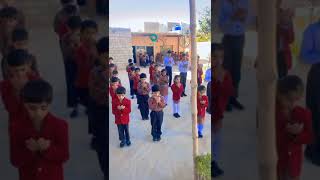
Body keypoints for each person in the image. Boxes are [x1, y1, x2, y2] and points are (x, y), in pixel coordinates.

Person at [10, 80, 69, 180]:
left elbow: (64, 156)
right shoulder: (16, 127)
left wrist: (48, 148)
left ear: (49, 105)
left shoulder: (60, 125)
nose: (38, 113)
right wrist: (29, 151)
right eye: (32, 108)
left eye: (43, 108)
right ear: (24, 104)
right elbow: (15, 160)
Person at [275, 75, 313, 180]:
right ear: (279, 94)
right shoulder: (273, 112)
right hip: (278, 161)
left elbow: (310, 137)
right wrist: (287, 132)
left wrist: (298, 134)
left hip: (294, 164)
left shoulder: (303, 113)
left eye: (296, 100)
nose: (292, 104)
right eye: (288, 99)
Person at [218, 0, 248, 111]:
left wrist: (243, 17)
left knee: (236, 71)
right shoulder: (224, 4)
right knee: (226, 70)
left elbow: (249, 20)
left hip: (240, 38)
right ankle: (225, 100)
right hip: (228, 39)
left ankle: (233, 98)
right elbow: (221, 25)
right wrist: (234, 17)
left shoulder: (244, 2)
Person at [0, 49, 40, 128]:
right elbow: (11, 109)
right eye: (16, 70)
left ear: (28, 67)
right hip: (16, 125)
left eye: (22, 69)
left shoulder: (36, 80)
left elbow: (40, 104)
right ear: (9, 69)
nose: (19, 74)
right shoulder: (5, 85)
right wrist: (16, 90)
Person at [212, 43, 234, 178]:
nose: (219, 60)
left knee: (216, 139)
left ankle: (213, 162)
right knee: (211, 138)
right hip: (210, 112)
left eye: (221, 57)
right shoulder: (210, 75)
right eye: (215, 56)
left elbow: (229, 92)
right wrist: (217, 82)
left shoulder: (225, 74)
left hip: (219, 112)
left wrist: (222, 82)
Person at [300, 18, 320, 166]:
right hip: (317, 75)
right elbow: (304, 55)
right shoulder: (312, 30)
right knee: (315, 114)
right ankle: (312, 151)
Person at [88, 36, 108, 177]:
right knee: (103, 148)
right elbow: (95, 96)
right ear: (99, 56)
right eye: (106, 58)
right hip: (100, 115)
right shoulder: (95, 73)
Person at [74, 19, 98, 114]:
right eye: (87, 33)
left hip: (94, 82)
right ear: (81, 34)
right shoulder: (79, 49)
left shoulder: (98, 46)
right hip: (83, 82)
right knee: (86, 100)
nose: (90, 36)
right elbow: (83, 67)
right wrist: (91, 57)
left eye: (93, 33)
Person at [60, 15, 82, 118]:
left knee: (72, 85)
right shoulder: (82, 36)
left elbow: (64, 53)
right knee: (79, 84)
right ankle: (81, 105)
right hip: (79, 64)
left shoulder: (65, 37)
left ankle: (75, 107)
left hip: (71, 64)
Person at [0, 6, 25, 77]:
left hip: (22, 60)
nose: (7, 24)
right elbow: (4, 52)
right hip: (8, 62)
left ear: (16, 21)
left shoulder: (20, 32)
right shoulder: (2, 33)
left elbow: (23, 48)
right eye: (4, 21)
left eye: (10, 21)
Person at [277, 8, 294, 79]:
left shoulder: (288, 27)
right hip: (274, 54)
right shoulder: (275, 26)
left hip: (284, 55)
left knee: (283, 76)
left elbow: (291, 40)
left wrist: (288, 27)